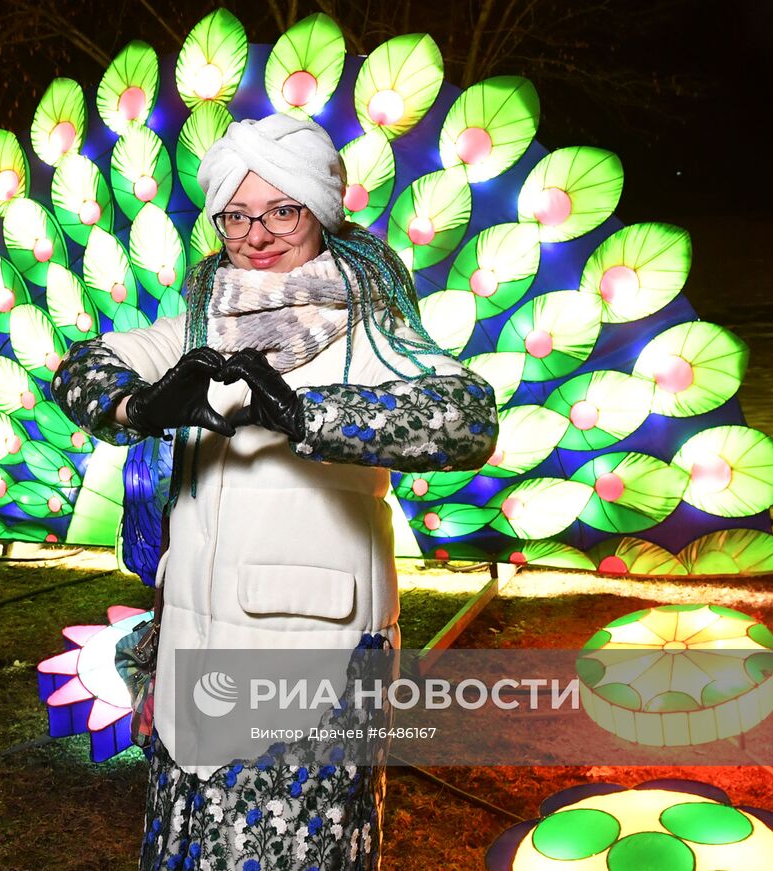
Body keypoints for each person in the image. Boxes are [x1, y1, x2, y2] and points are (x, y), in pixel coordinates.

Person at [52, 113, 498, 871]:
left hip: (312, 659)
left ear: (320, 211)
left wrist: (308, 416)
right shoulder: (201, 321)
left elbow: (468, 418)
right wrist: (139, 405)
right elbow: (83, 367)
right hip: (194, 650)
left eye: (281, 209)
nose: (256, 234)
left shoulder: (370, 327)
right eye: (236, 214)